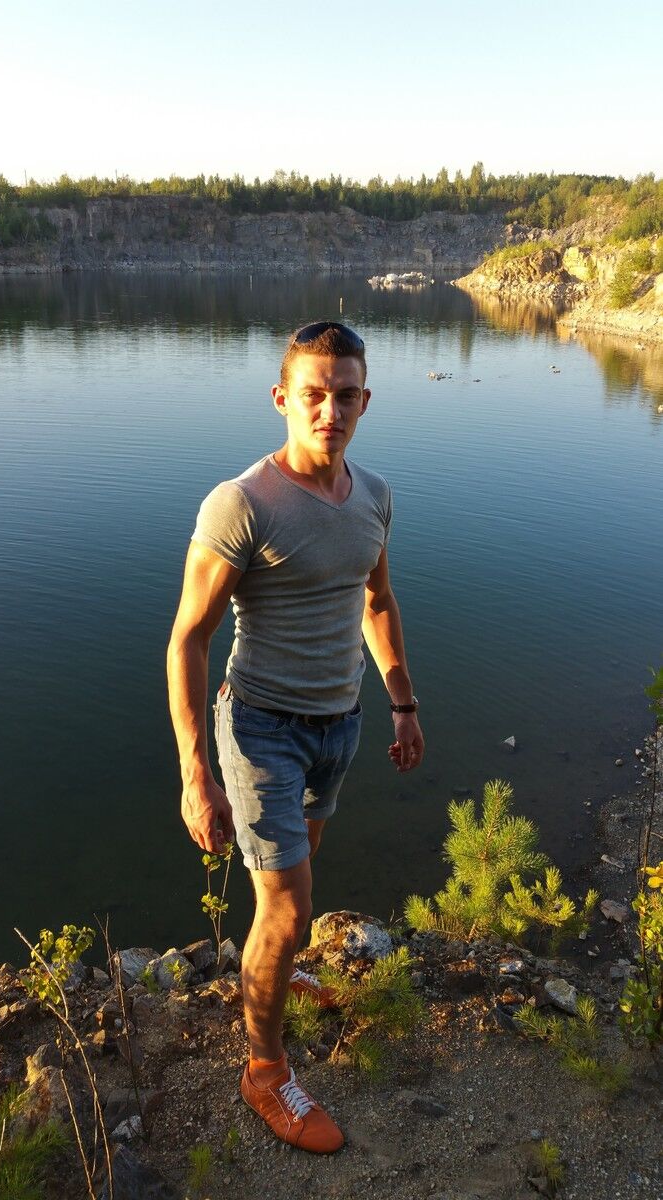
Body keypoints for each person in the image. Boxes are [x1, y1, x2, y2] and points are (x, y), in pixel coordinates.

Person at [167, 320, 424, 1154]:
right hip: (261, 730)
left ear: (364, 401)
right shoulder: (243, 503)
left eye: (345, 395)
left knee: (291, 884)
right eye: (313, 395)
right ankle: (264, 1071)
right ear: (281, 398)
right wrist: (195, 774)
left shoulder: (374, 495)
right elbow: (189, 640)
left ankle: (277, 969)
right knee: (289, 902)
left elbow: (375, 600)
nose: (329, 411)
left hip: (338, 725)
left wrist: (402, 703)